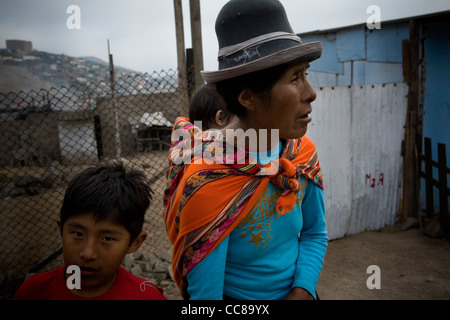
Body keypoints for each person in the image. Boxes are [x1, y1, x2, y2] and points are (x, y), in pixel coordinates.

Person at [164, 0, 327, 300]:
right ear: (247, 97)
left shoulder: (300, 154)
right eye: (294, 78)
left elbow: (315, 233)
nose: (311, 92)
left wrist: (302, 291)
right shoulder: (208, 184)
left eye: (305, 74)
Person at [14, 162, 167, 300]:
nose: (88, 254)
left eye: (107, 239)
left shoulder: (147, 297)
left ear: (134, 243)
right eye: (78, 234)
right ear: (61, 229)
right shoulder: (32, 292)